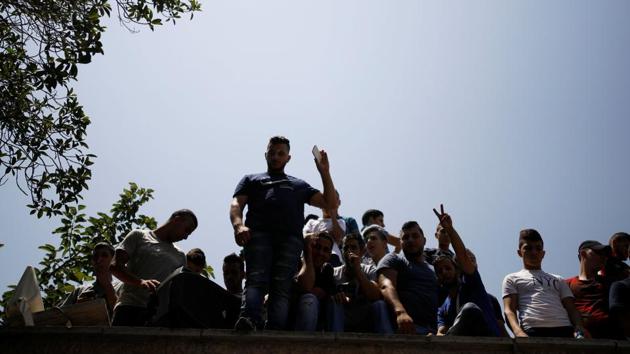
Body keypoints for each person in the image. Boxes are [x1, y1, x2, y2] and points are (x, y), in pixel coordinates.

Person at [229, 136, 337, 331]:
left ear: (288, 158)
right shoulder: (251, 179)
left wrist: (325, 172)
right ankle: (249, 320)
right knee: (256, 279)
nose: (275, 157)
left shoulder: (299, 184)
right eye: (272, 152)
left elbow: (330, 203)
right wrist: (238, 225)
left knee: (282, 287)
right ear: (266, 154)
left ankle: (276, 329)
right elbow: (237, 203)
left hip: (290, 240)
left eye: (281, 153)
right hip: (259, 235)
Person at [110, 209, 198, 326]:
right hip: (129, 308)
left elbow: (180, 291)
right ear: (177, 220)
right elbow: (115, 266)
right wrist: (140, 282)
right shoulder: (139, 235)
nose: (186, 237)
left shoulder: (180, 256)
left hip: (158, 317)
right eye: (187, 230)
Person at [502, 229, 586, 338]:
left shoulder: (558, 279)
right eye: (528, 248)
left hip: (565, 330)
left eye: (538, 248)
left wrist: (579, 327)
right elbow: (509, 310)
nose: (534, 252)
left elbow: (571, 308)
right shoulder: (511, 278)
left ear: (543, 253)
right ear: (519, 253)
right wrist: (518, 332)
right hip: (532, 330)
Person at [432, 205, 501, 337]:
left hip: (488, 343)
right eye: (440, 271)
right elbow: (441, 332)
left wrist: (450, 229)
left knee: (469, 309)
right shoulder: (442, 309)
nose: (444, 272)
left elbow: (462, 255)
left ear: (458, 271)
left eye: (448, 268)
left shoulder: (471, 284)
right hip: (463, 347)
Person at [377, 221, 438, 335]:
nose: (410, 240)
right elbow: (386, 285)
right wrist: (400, 312)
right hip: (409, 329)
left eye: (415, 236)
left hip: (436, 331)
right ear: (400, 242)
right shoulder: (393, 259)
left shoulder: (434, 269)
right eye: (405, 237)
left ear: (424, 240)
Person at [328, 234, 393, 333]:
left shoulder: (370, 269)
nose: (349, 251)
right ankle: (336, 344)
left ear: (362, 252)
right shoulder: (334, 273)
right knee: (334, 303)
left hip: (366, 319)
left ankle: (388, 344)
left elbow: (375, 296)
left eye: (353, 247)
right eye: (346, 248)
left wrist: (358, 270)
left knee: (380, 305)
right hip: (343, 318)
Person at [565, 240, 613, 339]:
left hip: (612, 339)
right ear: (583, 253)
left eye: (605, 255)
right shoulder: (566, 284)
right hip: (580, 340)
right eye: (598, 253)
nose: (604, 257)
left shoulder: (611, 283)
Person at [58, 242, 118, 313]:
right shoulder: (79, 292)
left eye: (104, 255)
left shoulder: (122, 288)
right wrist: (77, 308)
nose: (99, 260)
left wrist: (107, 286)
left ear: (113, 261)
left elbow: (126, 318)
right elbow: (58, 318)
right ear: (92, 262)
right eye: (96, 256)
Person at [294, 232, 336, 331]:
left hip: (318, 324)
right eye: (317, 247)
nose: (320, 253)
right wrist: (307, 253)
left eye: (325, 250)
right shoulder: (296, 263)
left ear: (330, 255)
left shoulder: (327, 270)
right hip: (293, 320)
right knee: (309, 299)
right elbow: (307, 286)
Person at [303, 191, 346, 267]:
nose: (329, 202)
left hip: (333, 258)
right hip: (309, 257)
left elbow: (338, 237)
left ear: (338, 203)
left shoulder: (341, 222)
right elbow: (304, 236)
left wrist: (332, 213)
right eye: (326, 199)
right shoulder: (311, 222)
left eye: (333, 200)